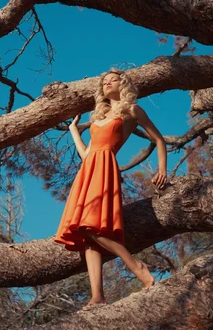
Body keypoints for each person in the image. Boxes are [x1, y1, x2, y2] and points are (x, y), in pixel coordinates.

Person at [54, 68, 168, 310]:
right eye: (104, 82)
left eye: (112, 80)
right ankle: (97, 297)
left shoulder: (132, 110)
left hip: (105, 168)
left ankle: (139, 269)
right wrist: (74, 131)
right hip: (88, 170)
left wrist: (162, 170)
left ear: (122, 83)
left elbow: (159, 139)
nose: (106, 84)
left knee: (93, 228)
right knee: (87, 235)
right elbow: (86, 154)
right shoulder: (99, 116)